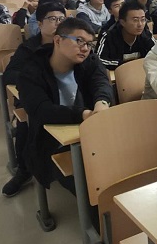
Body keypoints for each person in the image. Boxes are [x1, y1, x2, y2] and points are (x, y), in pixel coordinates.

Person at [18, 18, 114, 191]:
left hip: (91, 135)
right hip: (52, 143)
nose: (85, 48)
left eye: (89, 44)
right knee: (95, 189)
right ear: (57, 40)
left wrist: (101, 104)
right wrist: (84, 114)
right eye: (79, 41)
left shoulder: (90, 61)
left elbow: (101, 84)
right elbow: (41, 110)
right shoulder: (31, 70)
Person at [1, 1, 66, 197]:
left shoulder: (70, 43)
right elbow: (9, 75)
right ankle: (24, 170)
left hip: (66, 96)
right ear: (39, 24)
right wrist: (39, 77)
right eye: (52, 19)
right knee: (27, 125)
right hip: (35, 97)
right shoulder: (28, 48)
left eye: (62, 19)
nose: (58, 23)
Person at [97, 0, 155, 70]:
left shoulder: (147, 35)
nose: (140, 24)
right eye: (135, 20)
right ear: (122, 22)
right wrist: (125, 65)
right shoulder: (108, 36)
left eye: (142, 20)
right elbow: (99, 60)